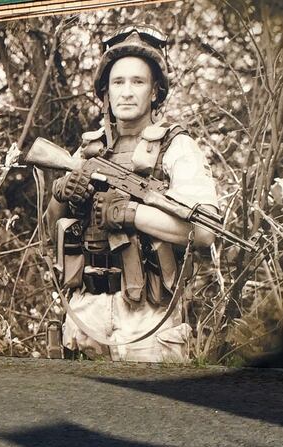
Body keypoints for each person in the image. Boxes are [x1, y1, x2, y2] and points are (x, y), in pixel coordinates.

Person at [46, 25, 218, 362]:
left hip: (149, 320)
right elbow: (52, 224)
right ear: (106, 94)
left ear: (155, 92)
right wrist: (63, 193)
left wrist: (129, 213)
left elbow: (204, 231)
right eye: (118, 82)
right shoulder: (87, 150)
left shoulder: (176, 146)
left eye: (138, 82)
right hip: (85, 314)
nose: (127, 92)